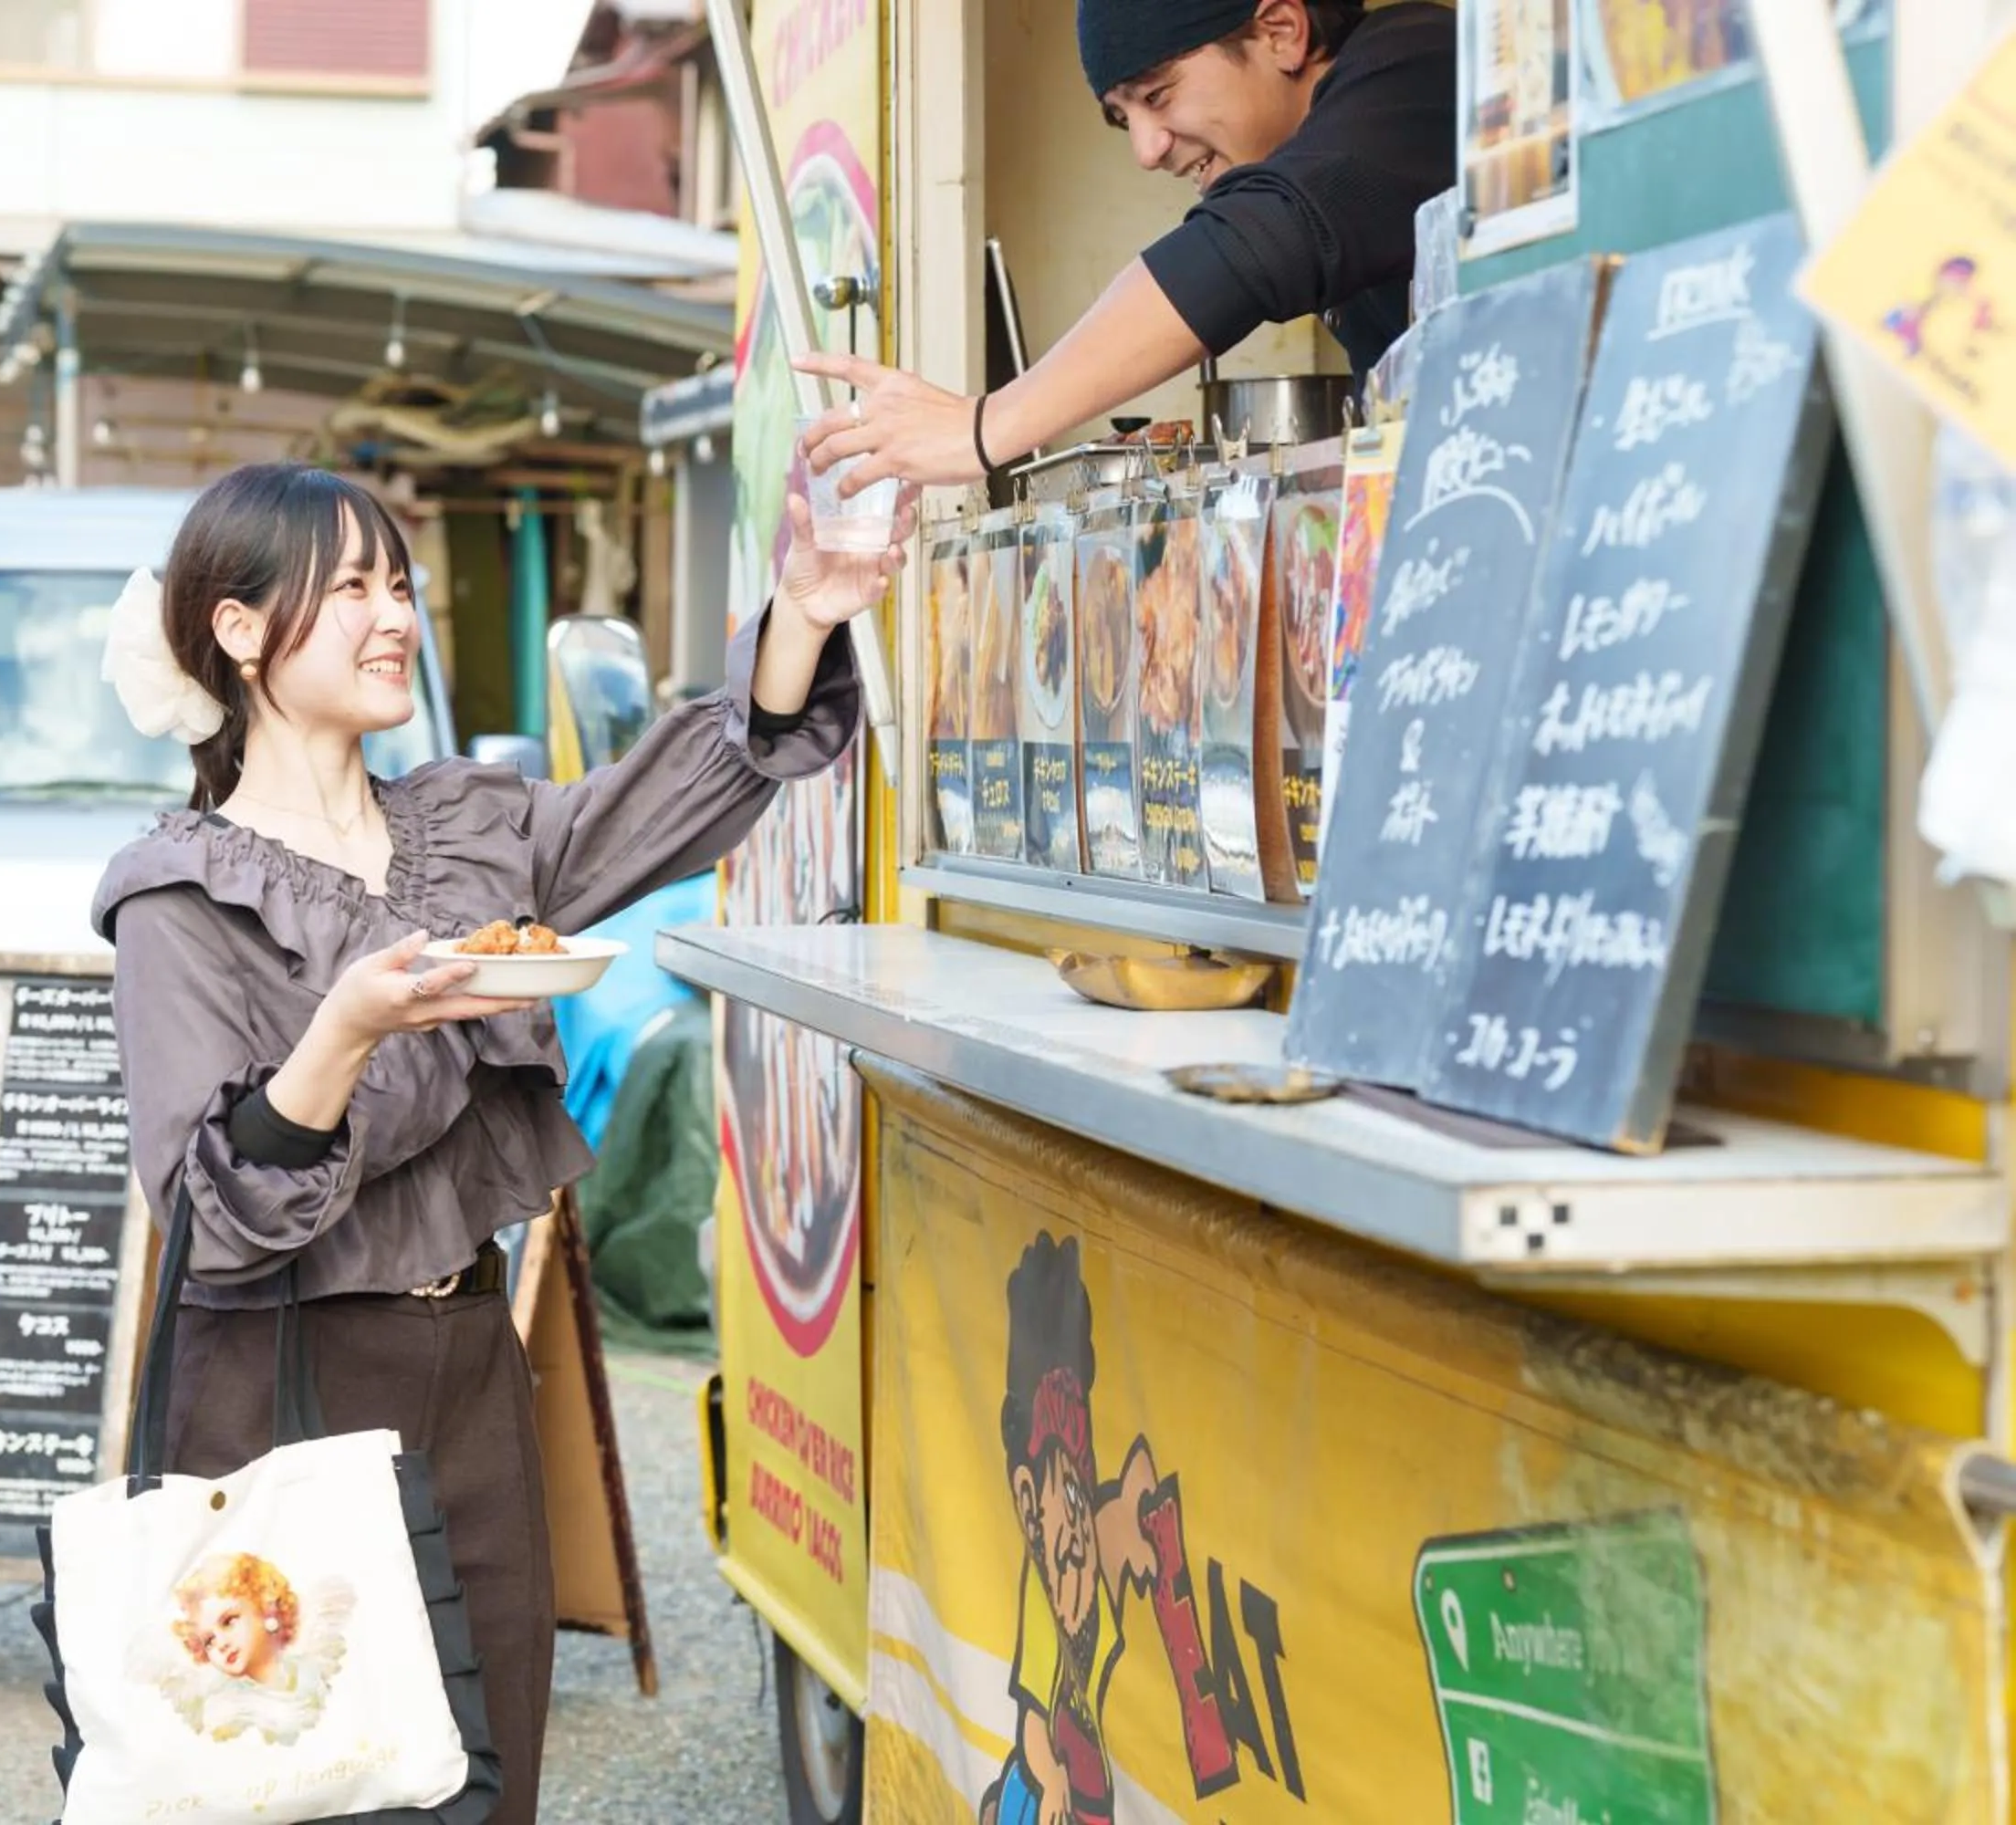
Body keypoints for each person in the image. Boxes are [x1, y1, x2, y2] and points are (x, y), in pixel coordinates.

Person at [92, 462, 909, 1822]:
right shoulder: (181, 897)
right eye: (348, 587)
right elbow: (211, 1212)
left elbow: (665, 803)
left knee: (484, 1774)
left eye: (398, 584)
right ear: (238, 633)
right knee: (301, 1782)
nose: (391, 615)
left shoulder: (463, 828)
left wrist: (804, 617)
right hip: (285, 1380)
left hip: (472, 1362)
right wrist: (347, 1030)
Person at [798, 0, 1454, 496]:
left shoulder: (1417, 70)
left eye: (1158, 96)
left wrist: (983, 429)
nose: (1147, 150)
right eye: (1124, 118)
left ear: (1281, 30)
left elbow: (1261, 240)